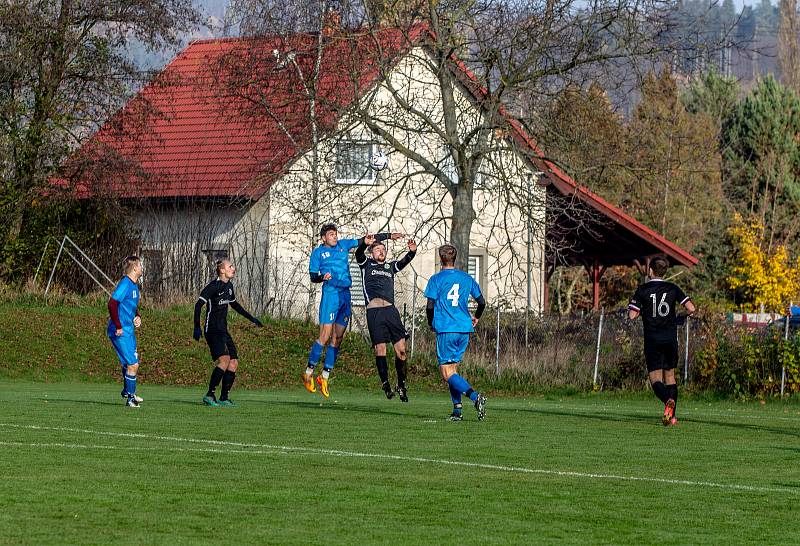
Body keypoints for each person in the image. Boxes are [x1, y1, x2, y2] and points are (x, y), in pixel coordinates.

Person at [303, 223, 401, 398]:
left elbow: (366, 240)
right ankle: (309, 371)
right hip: (331, 295)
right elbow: (312, 276)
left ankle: (324, 376)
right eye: (331, 234)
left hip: (345, 295)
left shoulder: (343, 245)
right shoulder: (318, 253)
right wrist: (321, 277)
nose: (335, 237)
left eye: (335, 234)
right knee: (324, 336)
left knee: (338, 338)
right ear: (324, 238)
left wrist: (388, 235)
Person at [628, 255, 695, 426]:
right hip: (670, 338)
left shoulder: (642, 290)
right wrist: (677, 318)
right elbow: (691, 308)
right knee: (670, 376)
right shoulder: (673, 288)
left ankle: (667, 401)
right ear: (664, 272)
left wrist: (641, 310)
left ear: (650, 270)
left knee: (655, 379)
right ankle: (672, 418)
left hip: (652, 339)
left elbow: (632, 315)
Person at [424, 244, 487, 421]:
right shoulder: (466, 278)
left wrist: (431, 323)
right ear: (455, 258)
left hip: (446, 328)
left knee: (447, 373)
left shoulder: (436, 279)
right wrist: (476, 317)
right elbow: (482, 302)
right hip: (464, 328)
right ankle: (457, 410)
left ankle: (476, 397)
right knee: (453, 371)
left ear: (440, 258)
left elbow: (430, 306)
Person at [193, 259, 263, 407]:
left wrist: (252, 319)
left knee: (233, 362)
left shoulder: (229, 286)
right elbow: (198, 305)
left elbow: (235, 305)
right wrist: (197, 327)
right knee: (224, 360)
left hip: (223, 330)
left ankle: (224, 397)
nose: (233, 268)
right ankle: (209, 395)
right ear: (222, 271)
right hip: (212, 330)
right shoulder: (213, 286)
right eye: (230, 266)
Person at [355, 234, 416, 401]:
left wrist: (412, 252)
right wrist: (364, 244)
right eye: (377, 249)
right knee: (380, 349)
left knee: (402, 351)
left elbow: (404, 261)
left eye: (383, 249)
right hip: (374, 313)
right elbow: (358, 253)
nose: (381, 251)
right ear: (371, 253)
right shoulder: (365, 264)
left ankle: (402, 384)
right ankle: (385, 384)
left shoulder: (390, 267)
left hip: (391, 312)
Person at [107, 256, 144, 408]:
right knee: (133, 365)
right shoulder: (125, 284)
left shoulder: (134, 286)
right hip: (120, 331)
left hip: (129, 330)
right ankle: (130, 398)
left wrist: (137, 316)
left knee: (129, 364)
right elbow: (112, 303)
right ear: (135, 268)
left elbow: (131, 305)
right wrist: (118, 325)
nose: (142, 267)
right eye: (140, 265)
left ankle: (127, 391)